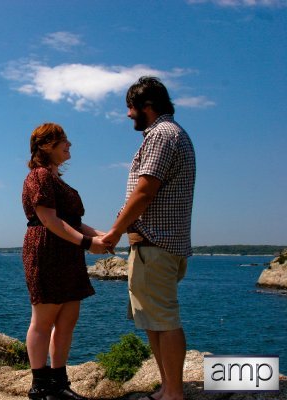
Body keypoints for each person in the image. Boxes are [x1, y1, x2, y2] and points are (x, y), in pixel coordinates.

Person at [103, 77, 196, 400]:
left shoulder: (161, 135)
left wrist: (115, 232)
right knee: (155, 320)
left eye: (130, 107)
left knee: (164, 320)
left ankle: (173, 392)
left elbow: (145, 190)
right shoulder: (173, 134)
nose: (128, 114)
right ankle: (168, 386)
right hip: (161, 243)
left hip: (156, 245)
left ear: (147, 106)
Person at [22, 122, 110, 400]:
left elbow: (73, 223)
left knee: (68, 319)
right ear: (47, 145)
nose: (69, 144)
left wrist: (103, 236)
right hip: (47, 252)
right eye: (64, 140)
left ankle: (59, 383)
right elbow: (49, 220)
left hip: (68, 253)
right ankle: (40, 386)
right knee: (43, 319)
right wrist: (87, 243)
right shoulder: (38, 176)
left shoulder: (56, 180)